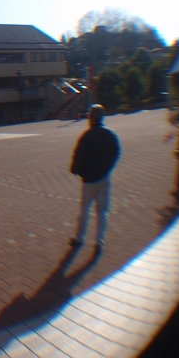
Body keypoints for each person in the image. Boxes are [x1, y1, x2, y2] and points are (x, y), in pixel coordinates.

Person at [69, 104, 120, 253]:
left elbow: (78, 156)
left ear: (90, 118)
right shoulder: (110, 135)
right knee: (102, 210)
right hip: (104, 177)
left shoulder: (87, 136)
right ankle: (99, 241)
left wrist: (77, 170)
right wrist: (108, 168)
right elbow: (116, 153)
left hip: (90, 179)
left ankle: (79, 238)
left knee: (85, 209)